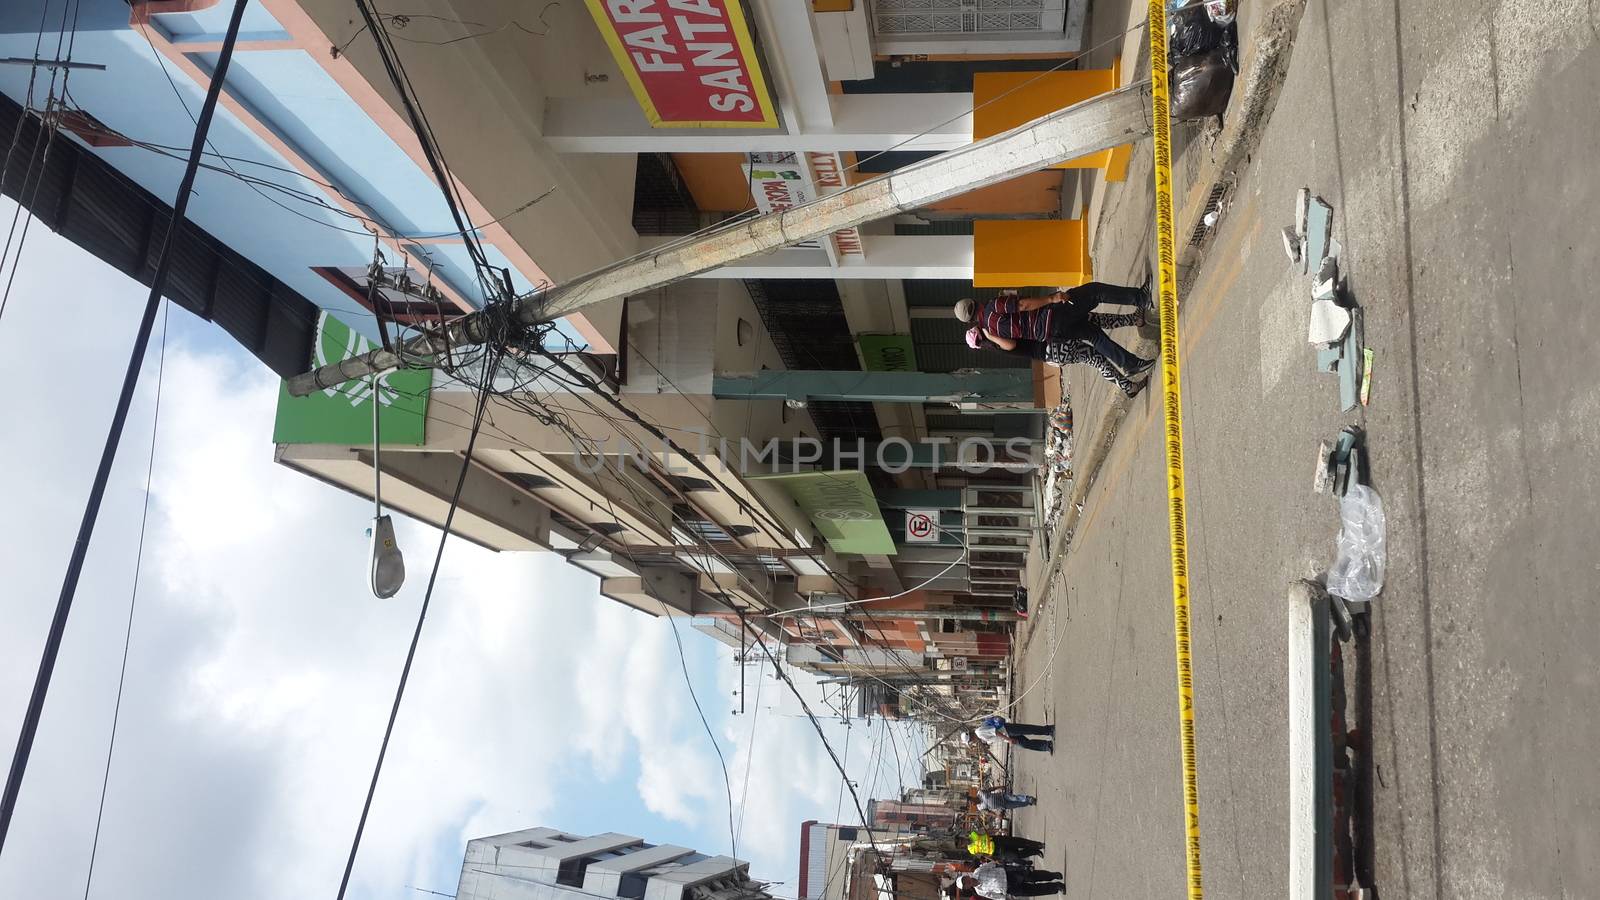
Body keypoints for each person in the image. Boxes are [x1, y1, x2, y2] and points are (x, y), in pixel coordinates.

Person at [953, 283, 1155, 377]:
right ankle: (1141, 298)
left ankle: (1129, 363)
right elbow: (1023, 305)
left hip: (1050, 334)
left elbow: (1011, 345)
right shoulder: (993, 308)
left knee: (1094, 335)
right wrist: (1051, 298)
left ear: (970, 320)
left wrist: (991, 336)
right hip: (1053, 315)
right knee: (1094, 292)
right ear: (974, 302)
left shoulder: (990, 331)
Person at [969, 329, 1146, 398]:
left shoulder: (996, 343)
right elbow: (1012, 344)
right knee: (1096, 358)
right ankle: (1128, 386)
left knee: (1096, 358)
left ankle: (1128, 386)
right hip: (1053, 348)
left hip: (1053, 353)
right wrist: (990, 335)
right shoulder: (998, 342)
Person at [962, 861, 1066, 898]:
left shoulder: (978, 871)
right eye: (965, 884)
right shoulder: (979, 891)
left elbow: (992, 864)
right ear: (967, 887)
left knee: (1033, 876)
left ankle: (1053, 875)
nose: (967, 882)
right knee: (1035, 891)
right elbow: (994, 896)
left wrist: (1007, 865)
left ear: (967, 876)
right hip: (1009, 889)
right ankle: (1057, 887)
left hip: (1009, 875)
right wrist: (1005, 896)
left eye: (965, 880)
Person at [973, 714, 1055, 753]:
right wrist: (1008, 740)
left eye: (971, 741)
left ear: (971, 738)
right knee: (1025, 744)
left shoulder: (979, 733)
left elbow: (994, 732)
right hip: (1007, 735)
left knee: (1028, 730)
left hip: (1007, 730)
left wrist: (1009, 739)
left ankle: (1048, 730)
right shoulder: (979, 735)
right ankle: (1047, 745)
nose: (973, 742)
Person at [968, 830, 1045, 863]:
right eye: (959, 844)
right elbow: (983, 855)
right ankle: (1035, 852)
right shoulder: (971, 850)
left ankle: (1038, 845)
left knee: (1019, 842)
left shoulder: (972, 834)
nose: (962, 842)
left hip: (997, 840)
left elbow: (986, 831)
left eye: (960, 840)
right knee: (1016, 856)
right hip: (996, 852)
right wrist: (994, 860)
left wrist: (999, 830)